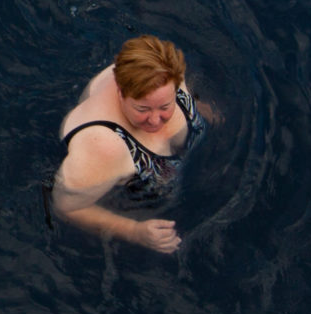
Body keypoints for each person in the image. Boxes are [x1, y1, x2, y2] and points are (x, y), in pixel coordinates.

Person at [52, 35, 207, 252]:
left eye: (165, 106)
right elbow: (65, 207)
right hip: (127, 191)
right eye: (142, 109)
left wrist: (201, 110)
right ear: (120, 93)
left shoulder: (169, 72)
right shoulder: (102, 146)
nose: (155, 120)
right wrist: (134, 232)